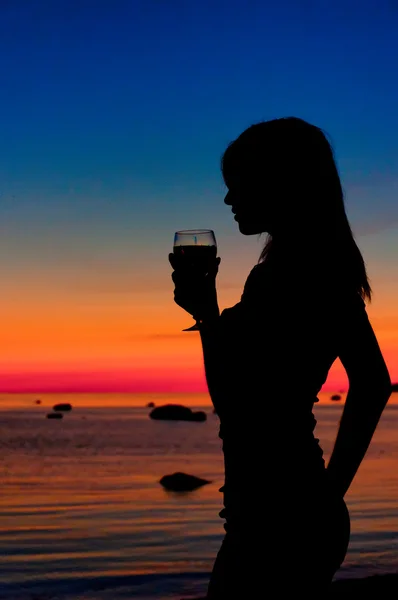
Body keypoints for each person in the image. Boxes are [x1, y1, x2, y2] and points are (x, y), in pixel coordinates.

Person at [169, 116, 392, 598]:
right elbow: (372, 383)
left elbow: (236, 399)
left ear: (279, 182)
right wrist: (329, 494)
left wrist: (207, 315)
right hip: (293, 510)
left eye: (238, 185)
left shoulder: (291, 274)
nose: (229, 200)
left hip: (278, 521)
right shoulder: (322, 264)